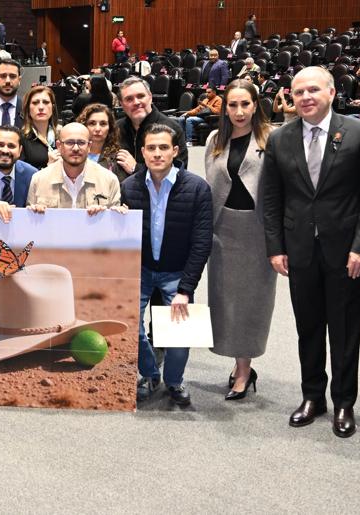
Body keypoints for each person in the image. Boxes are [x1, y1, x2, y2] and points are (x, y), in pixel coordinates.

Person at [260, 66, 360, 438]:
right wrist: (275, 247)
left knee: (345, 331)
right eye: (298, 92)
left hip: (347, 253)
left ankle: (344, 401)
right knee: (308, 328)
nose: (305, 97)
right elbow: (271, 198)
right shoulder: (280, 138)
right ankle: (312, 396)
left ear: (331, 92)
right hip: (299, 250)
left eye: (313, 90)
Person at [119, 124, 213, 406]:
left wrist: (186, 289)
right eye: (151, 148)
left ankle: (174, 380)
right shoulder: (129, 187)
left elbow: (201, 243)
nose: (157, 153)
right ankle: (149, 374)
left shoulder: (197, 188)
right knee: (128, 325)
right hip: (140, 270)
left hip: (177, 272)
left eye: (163, 147)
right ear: (142, 152)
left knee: (180, 335)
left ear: (175, 151)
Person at [204, 80, 276, 401]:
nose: (239, 111)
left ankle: (244, 370)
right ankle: (237, 363)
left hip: (256, 232)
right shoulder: (214, 139)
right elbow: (211, 186)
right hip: (222, 231)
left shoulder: (271, 138)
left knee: (251, 304)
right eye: (232, 105)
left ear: (255, 105)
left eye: (245, 104)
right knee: (225, 303)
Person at [26, 122, 124, 212]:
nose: (76, 148)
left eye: (81, 143)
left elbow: (114, 223)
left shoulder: (109, 180)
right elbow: (29, 222)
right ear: (59, 146)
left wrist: (114, 214)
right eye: (69, 142)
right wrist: (35, 214)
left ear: (89, 146)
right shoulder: (39, 180)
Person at [116, 77, 187, 172]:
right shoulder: (116, 129)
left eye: (141, 96)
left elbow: (178, 172)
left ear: (150, 97)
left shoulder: (172, 128)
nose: (136, 102)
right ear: (121, 104)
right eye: (129, 99)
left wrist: (136, 168)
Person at [77, 103, 126, 182]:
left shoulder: (118, 157)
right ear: (84, 126)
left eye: (103, 124)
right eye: (92, 123)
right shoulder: (73, 153)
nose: (97, 129)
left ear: (110, 127)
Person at [19, 85, 61, 169]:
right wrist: (49, 166)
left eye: (46, 102)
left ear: (52, 107)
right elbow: (21, 172)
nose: (41, 107)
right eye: (35, 103)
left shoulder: (62, 135)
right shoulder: (20, 137)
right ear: (28, 108)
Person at [0, 59, 24, 129]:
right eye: (3, 76)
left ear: (19, 80)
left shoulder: (27, 109)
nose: (8, 81)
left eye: (12, 76)